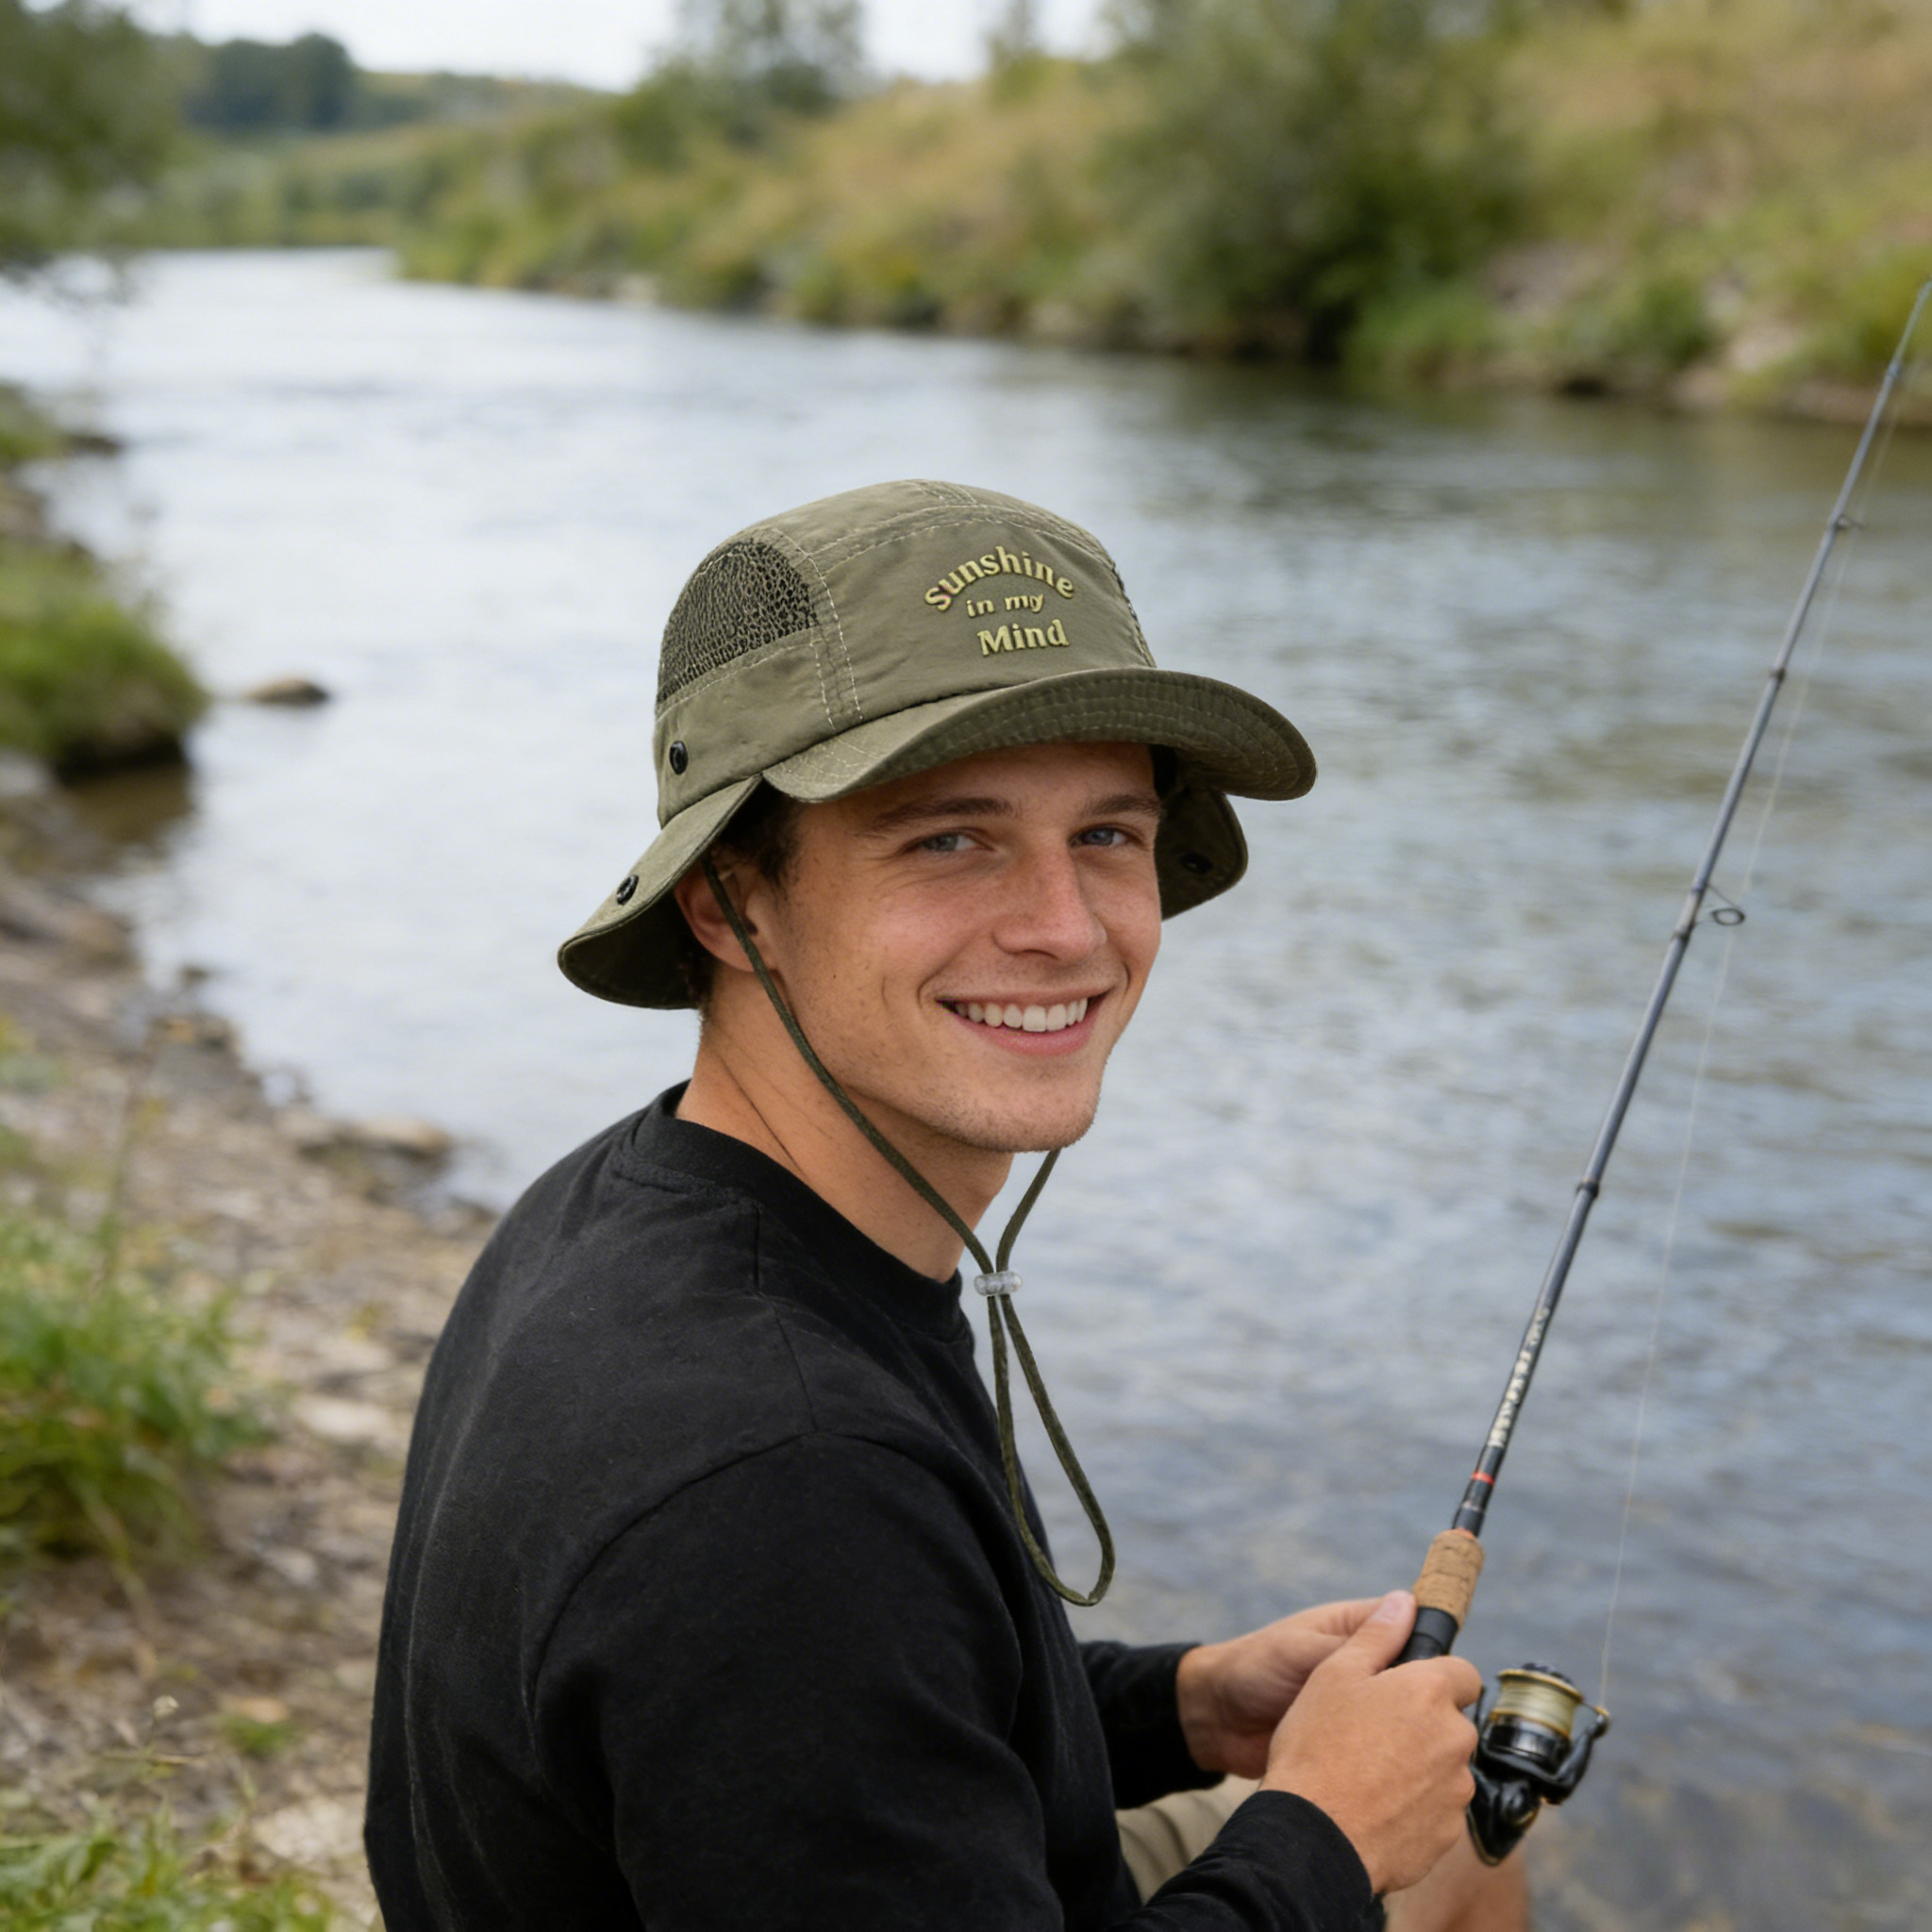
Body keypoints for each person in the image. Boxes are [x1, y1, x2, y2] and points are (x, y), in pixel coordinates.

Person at [365, 480, 1527, 1930]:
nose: (1065, 927)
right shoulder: (786, 1477)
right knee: (1411, 1845)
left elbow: (854, 1720)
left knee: (1467, 1845)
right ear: (731, 904)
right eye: (949, 840)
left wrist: (1181, 1707)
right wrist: (1324, 1840)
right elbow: (818, 1619)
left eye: (1108, 835)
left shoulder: (631, 1195)